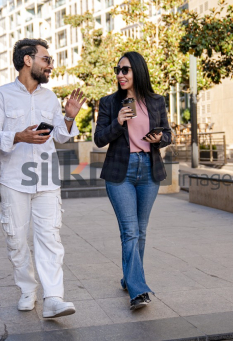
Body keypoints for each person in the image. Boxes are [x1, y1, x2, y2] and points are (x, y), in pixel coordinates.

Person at [0, 38, 86, 318]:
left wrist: (68, 117)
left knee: (50, 237)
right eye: (46, 59)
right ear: (28, 60)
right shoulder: (1, 95)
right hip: (14, 179)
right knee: (16, 238)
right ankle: (28, 290)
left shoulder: (50, 97)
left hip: (47, 178)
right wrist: (17, 136)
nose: (50, 65)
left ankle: (53, 298)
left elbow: (62, 137)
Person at [94, 51, 172, 310]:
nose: (120, 74)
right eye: (118, 70)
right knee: (130, 232)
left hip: (149, 170)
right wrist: (118, 122)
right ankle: (138, 291)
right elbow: (99, 139)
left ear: (137, 71)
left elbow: (168, 134)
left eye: (125, 70)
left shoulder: (156, 101)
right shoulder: (109, 103)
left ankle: (129, 278)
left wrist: (159, 138)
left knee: (141, 231)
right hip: (121, 173)